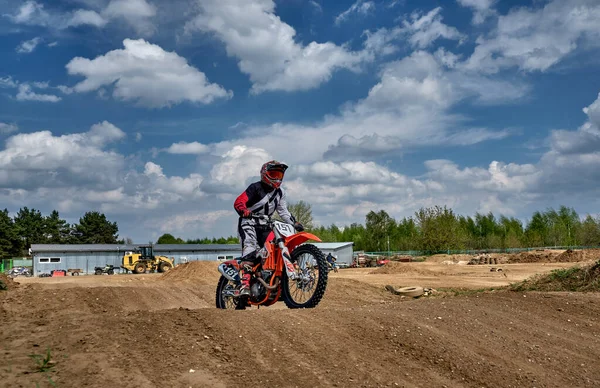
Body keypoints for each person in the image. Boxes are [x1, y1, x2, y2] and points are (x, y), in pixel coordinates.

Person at [233, 160, 304, 296]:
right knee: (250, 248)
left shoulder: (280, 193)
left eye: (279, 175)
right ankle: (245, 285)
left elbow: (283, 211)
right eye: (273, 174)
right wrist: (243, 210)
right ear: (265, 174)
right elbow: (239, 200)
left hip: (266, 225)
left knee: (276, 248)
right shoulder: (255, 188)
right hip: (249, 223)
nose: (277, 178)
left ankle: (277, 282)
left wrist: (293, 223)